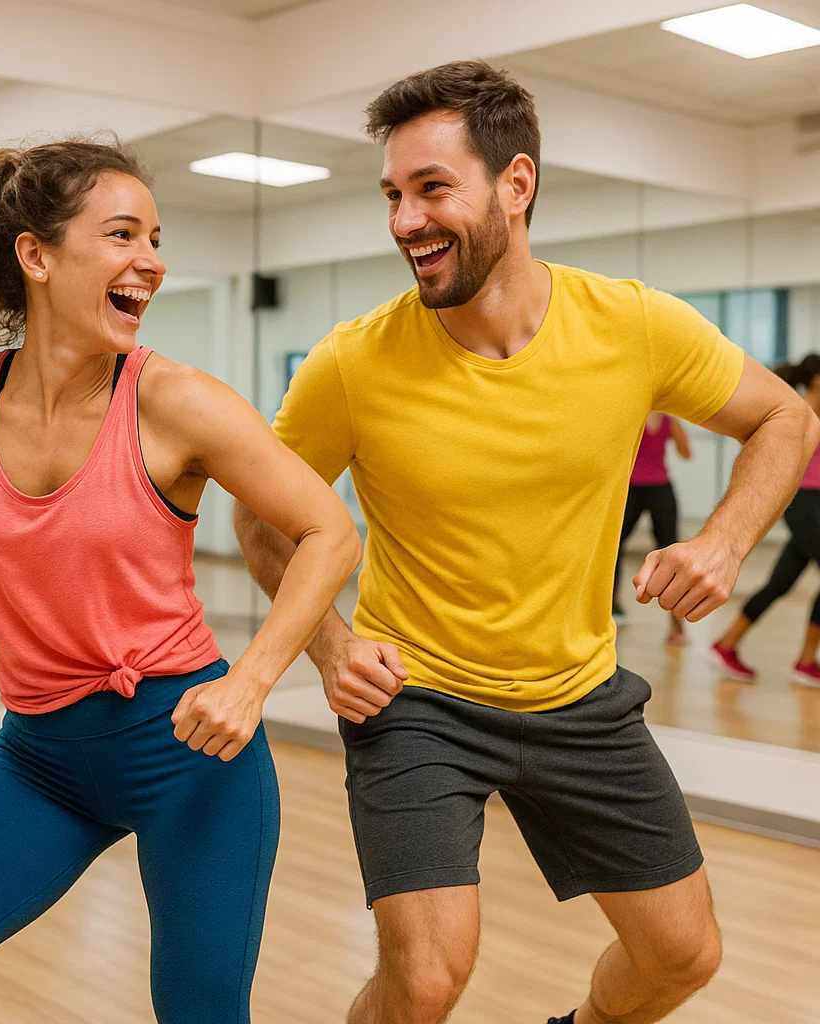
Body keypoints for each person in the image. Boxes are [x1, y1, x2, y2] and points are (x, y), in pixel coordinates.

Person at [233, 61, 818, 1024]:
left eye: (432, 188)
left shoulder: (629, 324)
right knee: (425, 980)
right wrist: (331, 645)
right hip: (417, 702)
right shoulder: (352, 362)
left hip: (579, 699)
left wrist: (724, 542)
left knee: (683, 957)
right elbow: (261, 515)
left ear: (516, 184)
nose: (405, 221)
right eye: (392, 194)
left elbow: (783, 419)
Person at [0, 138, 360, 1024]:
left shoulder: (177, 402)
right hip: (38, 759)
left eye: (155, 238)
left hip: (192, 753)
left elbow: (326, 532)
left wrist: (253, 679)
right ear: (36, 255)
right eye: (122, 235)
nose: (149, 260)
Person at [712, 355, 820, 686]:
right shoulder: (798, 410)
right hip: (803, 502)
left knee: (781, 582)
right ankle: (805, 662)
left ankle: (726, 644)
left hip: (815, 504)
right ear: (816, 379)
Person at [613, 413, 692, 644]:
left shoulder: (670, 421)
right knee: (613, 547)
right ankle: (612, 608)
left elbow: (686, 454)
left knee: (672, 553)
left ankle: (677, 625)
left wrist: (679, 429)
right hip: (631, 489)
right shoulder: (633, 417)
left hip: (660, 489)